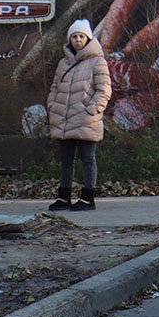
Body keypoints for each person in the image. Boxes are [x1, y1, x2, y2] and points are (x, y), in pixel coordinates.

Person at [47, 19, 112, 211]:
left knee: (87, 158)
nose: (77, 40)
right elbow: (55, 87)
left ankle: (87, 198)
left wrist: (91, 110)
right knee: (66, 160)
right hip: (64, 118)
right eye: (74, 36)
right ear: (70, 39)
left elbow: (104, 90)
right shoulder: (63, 63)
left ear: (88, 38)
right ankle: (64, 197)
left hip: (85, 119)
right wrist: (52, 106)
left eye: (81, 36)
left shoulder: (97, 61)